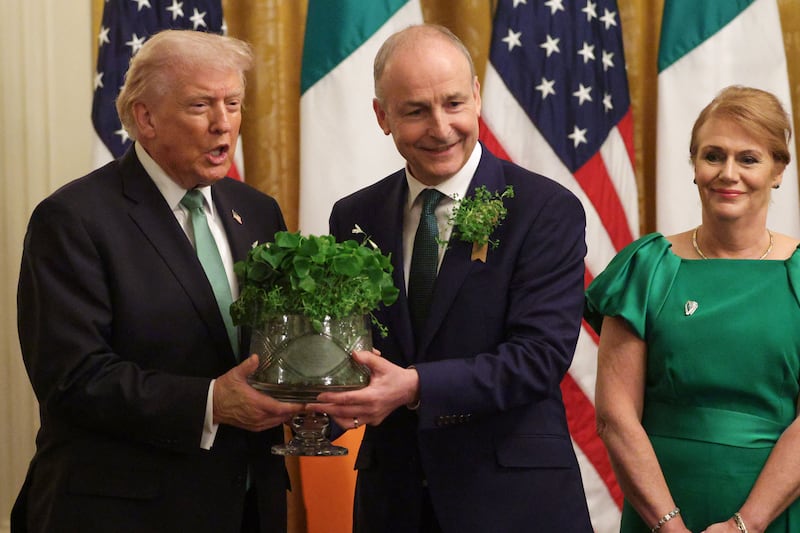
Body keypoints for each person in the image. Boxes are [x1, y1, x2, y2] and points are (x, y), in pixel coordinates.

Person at [12, 30, 302, 533]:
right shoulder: (73, 219)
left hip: (248, 506)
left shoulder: (257, 212)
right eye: (200, 105)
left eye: (233, 103)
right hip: (126, 511)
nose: (223, 124)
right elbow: (73, 377)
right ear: (145, 118)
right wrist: (210, 403)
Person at [311, 24, 593, 532]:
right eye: (416, 110)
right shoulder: (354, 216)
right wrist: (313, 399)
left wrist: (413, 386)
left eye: (454, 104)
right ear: (382, 116)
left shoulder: (545, 209)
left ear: (478, 97)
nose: (441, 128)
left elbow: (539, 358)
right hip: (392, 503)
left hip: (512, 504)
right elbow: (352, 348)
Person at [586, 85, 800, 533]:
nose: (728, 173)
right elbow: (614, 417)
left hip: (775, 512)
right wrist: (669, 526)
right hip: (658, 510)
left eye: (749, 158)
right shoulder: (647, 267)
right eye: (713, 155)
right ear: (694, 166)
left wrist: (747, 524)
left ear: (779, 170)